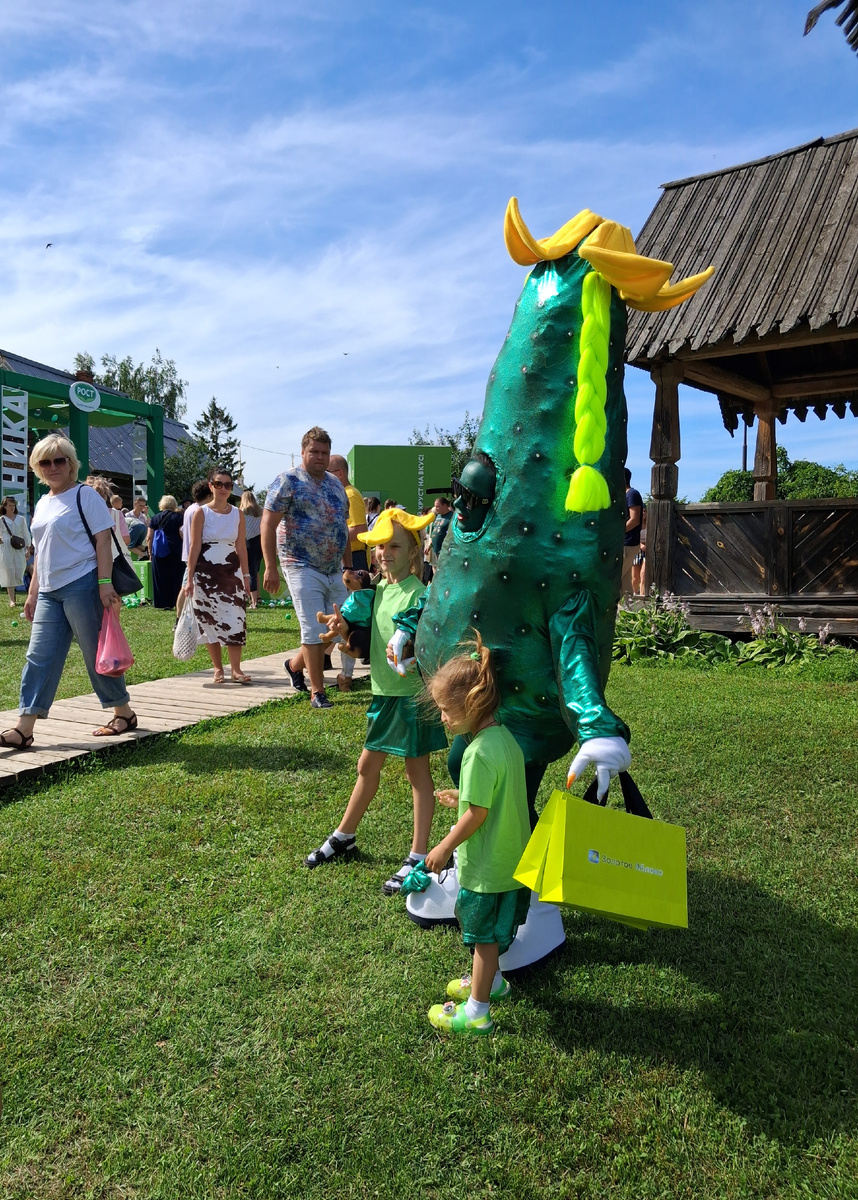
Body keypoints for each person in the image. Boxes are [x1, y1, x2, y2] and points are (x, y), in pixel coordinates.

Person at [303, 506, 446, 892]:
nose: (384, 553)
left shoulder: (421, 594)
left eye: (394, 546)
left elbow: (417, 628)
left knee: (417, 774)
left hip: (411, 698)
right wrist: (340, 626)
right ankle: (345, 834)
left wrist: (405, 637)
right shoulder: (378, 590)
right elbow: (355, 618)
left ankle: (418, 855)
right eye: (379, 546)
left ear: (414, 551)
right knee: (368, 766)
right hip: (384, 696)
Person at [422, 634, 530, 1035]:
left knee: (483, 940)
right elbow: (494, 799)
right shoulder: (504, 741)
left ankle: (478, 1011)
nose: (444, 719)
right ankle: (495, 982)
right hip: (510, 861)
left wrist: (444, 846)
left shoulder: (477, 753)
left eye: (447, 711)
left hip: (487, 868)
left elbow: (480, 814)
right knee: (492, 936)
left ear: (471, 704)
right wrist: (462, 798)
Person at [0, 436, 136, 749]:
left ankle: (123, 712)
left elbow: (103, 540)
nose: (53, 467)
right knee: (38, 656)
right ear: (37, 466)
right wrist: (32, 593)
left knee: (95, 654)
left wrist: (104, 583)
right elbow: (42, 552)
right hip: (48, 591)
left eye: (59, 460)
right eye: (45, 462)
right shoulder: (44, 501)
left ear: (71, 463)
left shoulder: (84, 495)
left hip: (82, 583)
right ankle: (24, 728)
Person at [261, 426, 353, 708]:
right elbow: (268, 523)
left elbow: (343, 529)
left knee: (341, 626)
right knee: (313, 629)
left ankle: (294, 664)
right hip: (299, 564)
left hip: (333, 568)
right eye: (314, 451)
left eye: (325, 453)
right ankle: (317, 691)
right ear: (303, 452)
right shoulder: (287, 481)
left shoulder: (336, 485)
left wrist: (348, 568)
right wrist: (270, 566)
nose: (320, 457)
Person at [184, 467, 252, 684]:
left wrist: (247, 575)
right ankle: (217, 668)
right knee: (209, 619)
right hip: (205, 573)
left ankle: (236, 669)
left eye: (228, 485)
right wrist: (189, 578)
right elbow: (194, 546)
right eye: (219, 484)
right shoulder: (200, 513)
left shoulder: (237, 514)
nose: (223, 489)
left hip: (231, 573)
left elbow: (242, 546)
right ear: (211, 486)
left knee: (235, 618)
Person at [328, 455, 368, 571]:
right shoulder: (343, 493)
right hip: (348, 556)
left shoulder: (350, 495)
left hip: (354, 558)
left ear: (340, 473)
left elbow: (358, 529)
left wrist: (330, 539)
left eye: (327, 471)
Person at [147, 495, 185, 609]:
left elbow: (149, 536)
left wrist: (150, 552)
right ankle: (175, 601)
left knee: (160, 577)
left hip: (159, 551)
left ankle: (162, 602)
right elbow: (182, 533)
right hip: (176, 549)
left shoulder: (155, 518)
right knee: (177, 576)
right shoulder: (179, 517)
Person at [0, 495, 32, 608]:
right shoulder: (1, 519)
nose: (12, 508)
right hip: (6, 547)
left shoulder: (21, 519)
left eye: (13, 505)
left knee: (19, 570)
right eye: (9, 505)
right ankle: (12, 599)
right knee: (9, 572)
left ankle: (26, 593)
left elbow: (25, 534)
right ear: (4, 506)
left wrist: (28, 549)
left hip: (18, 547)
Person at [239, 490, 263, 608]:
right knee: (256, 570)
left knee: (250, 572)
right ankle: (258, 597)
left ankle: (253, 602)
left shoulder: (242, 512)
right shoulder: (260, 510)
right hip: (260, 542)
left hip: (248, 543)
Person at [623, 468, 643, 598]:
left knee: (613, 578)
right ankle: (628, 613)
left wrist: (615, 534)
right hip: (623, 543)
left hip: (628, 543)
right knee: (625, 583)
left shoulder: (632, 494)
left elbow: (634, 520)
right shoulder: (623, 495)